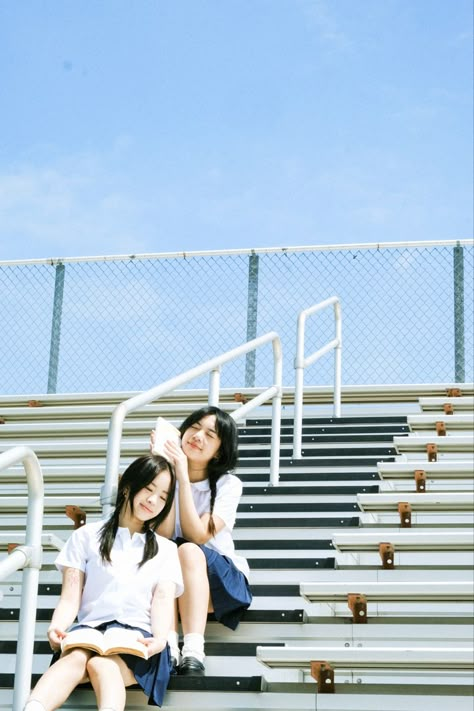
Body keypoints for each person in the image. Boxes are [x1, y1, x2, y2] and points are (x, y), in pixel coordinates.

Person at [24, 455, 183, 711]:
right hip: (90, 632)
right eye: (149, 489)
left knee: (102, 664)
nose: (154, 501)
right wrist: (57, 626)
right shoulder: (85, 536)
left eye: (163, 496)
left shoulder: (165, 549)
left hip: (139, 640)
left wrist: (161, 639)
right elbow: (70, 596)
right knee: (76, 657)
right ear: (128, 486)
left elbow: (164, 600)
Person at [152, 405, 252, 677]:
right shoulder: (165, 477)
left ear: (219, 450)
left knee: (187, 549)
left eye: (210, 434)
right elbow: (162, 534)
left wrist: (183, 477)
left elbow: (198, 536)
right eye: (194, 428)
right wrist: (169, 475)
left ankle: (194, 650)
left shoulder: (228, 485)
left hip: (221, 582)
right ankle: (169, 647)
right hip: (175, 580)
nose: (197, 436)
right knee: (164, 550)